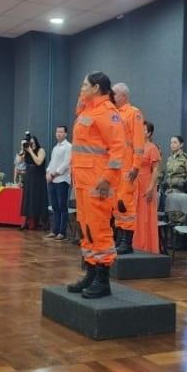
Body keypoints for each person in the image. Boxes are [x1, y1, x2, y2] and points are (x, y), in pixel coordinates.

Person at [67, 72, 125, 299]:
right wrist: (84, 96)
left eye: (84, 85)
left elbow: (118, 150)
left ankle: (103, 279)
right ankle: (90, 273)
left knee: (99, 228)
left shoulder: (109, 113)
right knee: (86, 228)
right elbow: (78, 111)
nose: (81, 88)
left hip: (98, 182)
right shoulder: (87, 109)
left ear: (97, 87)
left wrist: (108, 178)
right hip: (82, 180)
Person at [111, 82, 145, 255]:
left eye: (114, 94)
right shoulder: (114, 114)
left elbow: (139, 142)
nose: (112, 96)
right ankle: (119, 238)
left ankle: (127, 241)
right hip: (115, 168)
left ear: (124, 96)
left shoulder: (134, 113)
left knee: (126, 204)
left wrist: (136, 166)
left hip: (128, 168)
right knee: (116, 204)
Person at [133, 121, 162, 253]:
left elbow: (156, 170)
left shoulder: (152, 148)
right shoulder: (134, 146)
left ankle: (147, 247)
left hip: (146, 183)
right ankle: (135, 245)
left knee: (145, 217)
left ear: (149, 133)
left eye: (144, 130)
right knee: (135, 216)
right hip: (134, 183)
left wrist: (151, 187)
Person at [163, 135, 187, 227]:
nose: (172, 145)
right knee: (171, 219)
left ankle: (182, 240)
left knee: (180, 219)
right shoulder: (170, 158)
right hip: (170, 192)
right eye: (171, 142)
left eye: (175, 142)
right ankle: (173, 240)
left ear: (181, 144)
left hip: (181, 192)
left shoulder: (185, 159)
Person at [45, 125, 72, 240]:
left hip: (62, 180)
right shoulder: (55, 147)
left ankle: (62, 232)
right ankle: (54, 230)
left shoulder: (68, 147)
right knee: (55, 206)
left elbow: (66, 164)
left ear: (66, 134)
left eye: (61, 132)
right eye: (57, 132)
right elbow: (52, 162)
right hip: (52, 180)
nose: (58, 134)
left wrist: (53, 174)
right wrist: (47, 172)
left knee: (62, 206)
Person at [20, 133, 48, 230]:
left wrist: (31, 151)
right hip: (29, 178)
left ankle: (40, 222)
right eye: (28, 142)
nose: (30, 143)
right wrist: (22, 149)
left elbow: (38, 162)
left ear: (35, 141)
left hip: (38, 178)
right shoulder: (26, 151)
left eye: (31, 142)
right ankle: (27, 221)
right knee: (29, 199)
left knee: (37, 198)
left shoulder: (41, 150)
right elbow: (18, 161)